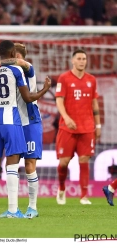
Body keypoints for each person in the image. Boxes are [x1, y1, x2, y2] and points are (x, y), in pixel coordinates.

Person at [0, 40, 51, 218]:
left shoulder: (26, 68)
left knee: (29, 165)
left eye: (18, 57)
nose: (15, 60)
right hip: (13, 121)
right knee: (9, 165)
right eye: (13, 56)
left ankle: (32, 207)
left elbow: (18, 66)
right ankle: (12, 209)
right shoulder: (10, 71)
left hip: (29, 121)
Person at [55, 48, 101, 205]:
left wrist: (98, 124)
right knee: (64, 162)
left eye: (84, 59)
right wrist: (66, 117)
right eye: (79, 58)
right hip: (68, 127)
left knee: (84, 159)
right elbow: (59, 100)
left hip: (87, 127)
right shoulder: (64, 78)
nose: (82, 61)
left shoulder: (91, 80)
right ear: (72, 61)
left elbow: (94, 102)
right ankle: (61, 188)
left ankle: (84, 196)